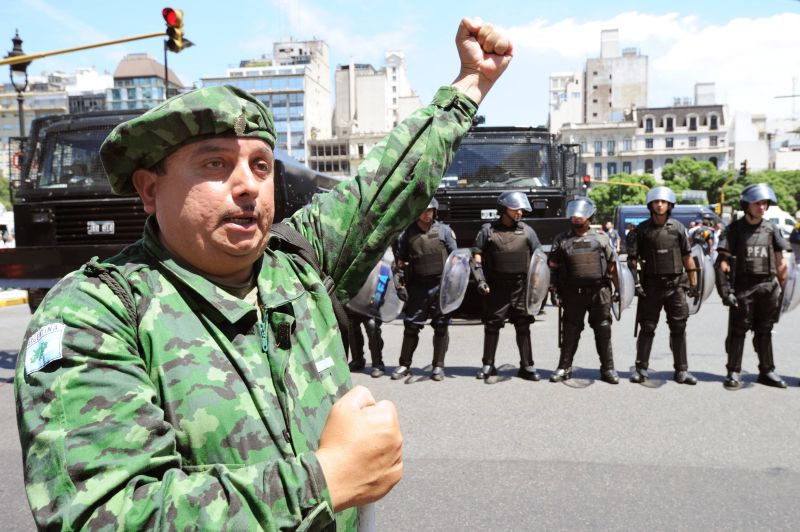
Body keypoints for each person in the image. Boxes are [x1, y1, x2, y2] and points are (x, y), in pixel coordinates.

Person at [14, 17, 513, 529]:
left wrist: (470, 85)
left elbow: (385, 183)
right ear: (148, 189)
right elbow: (106, 515)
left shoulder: (297, 264)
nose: (247, 185)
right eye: (214, 164)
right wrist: (325, 480)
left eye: (259, 165)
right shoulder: (94, 315)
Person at [715, 183, 789, 389]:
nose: (762, 207)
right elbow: (722, 263)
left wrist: (783, 290)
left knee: (765, 330)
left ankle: (767, 371)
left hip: (768, 286)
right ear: (747, 205)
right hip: (743, 287)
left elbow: (780, 261)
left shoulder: (771, 229)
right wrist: (726, 291)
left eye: (765, 203)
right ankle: (733, 371)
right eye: (758, 203)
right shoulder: (734, 230)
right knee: (738, 331)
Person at [627, 186, 699, 385]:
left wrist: (694, 284)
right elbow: (632, 260)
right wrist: (636, 283)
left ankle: (681, 370)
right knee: (647, 327)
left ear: (669, 205)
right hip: (651, 286)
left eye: (663, 202)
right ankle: (641, 368)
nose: (660, 205)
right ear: (650, 204)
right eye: (656, 202)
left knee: (678, 327)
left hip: (676, 285)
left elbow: (687, 257)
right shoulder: (641, 230)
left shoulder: (678, 228)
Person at [471, 191, 543, 381]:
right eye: (515, 209)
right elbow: (476, 255)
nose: (519, 212)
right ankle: (488, 365)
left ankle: (527, 366)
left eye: (520, 209)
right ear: (503, 209)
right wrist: (481, 280)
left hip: (521, 286)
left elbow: (539, 258)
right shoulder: (488, 231)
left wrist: (537, 284)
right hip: (497, 286)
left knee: (523, 325)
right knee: (492, 326)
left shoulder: (528, 231)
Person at [548, 197, 620, 384]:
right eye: (575, 215)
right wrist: (553, 291)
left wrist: (619, 290)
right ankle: (564, 367)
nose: (577, 218)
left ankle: (608, 369)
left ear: (589, 216)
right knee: (570, 330)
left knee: (603, 330)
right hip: (572, 293)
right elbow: (553, 267)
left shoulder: (602, 239)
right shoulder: (561, 240)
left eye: (581, 215)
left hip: (599, 292)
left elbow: (613, 267)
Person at [391, 199, 458, 381]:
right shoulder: (407, 234)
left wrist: (454, 288)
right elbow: (398, 264)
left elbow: (456, 260)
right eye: (424, 210)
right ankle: (404, 364)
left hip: (440, 287)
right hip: (418, 287)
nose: (427, 214)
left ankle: (438, 366)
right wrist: (400, 285)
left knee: (441, 327)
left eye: (430, 210)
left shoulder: (444, 231)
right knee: (411, 327)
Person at [346, 306, 385, 378]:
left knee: (372, 325)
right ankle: (357, 360)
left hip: (369, 301)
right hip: (351, 300)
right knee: (352, 325)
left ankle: (378, 363)